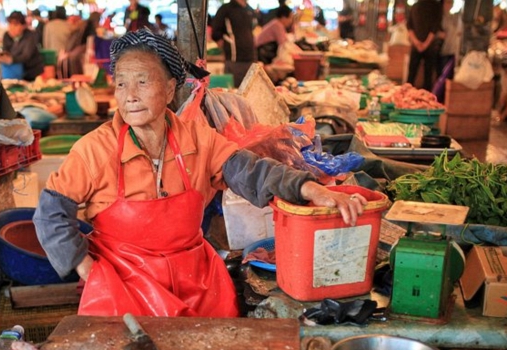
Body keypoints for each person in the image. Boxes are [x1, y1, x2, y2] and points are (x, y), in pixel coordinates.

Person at [34, 30, 366, 317]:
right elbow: (50, 214)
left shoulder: (197, 137)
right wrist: (87, 269)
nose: (129, 95)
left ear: (168, 89)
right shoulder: (95, 149)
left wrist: (311, 189)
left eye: (142, 82)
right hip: (121, 282)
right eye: (121, 84)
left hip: (197, 281)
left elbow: (250, 170)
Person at [211, 0, 258, 88]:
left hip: (251, 59)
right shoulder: (226, 9)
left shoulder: (250, 9)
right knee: (234, 93)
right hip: (234, 60)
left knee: (251, 92)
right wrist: (226, 47)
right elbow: (216, 34)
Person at [406, 0, 443, 91]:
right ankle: (426, 101)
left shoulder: (415, 6)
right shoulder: (437, 6)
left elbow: (409, 26)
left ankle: (405, 98)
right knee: (427, 77)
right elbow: (434, 28)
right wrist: (425, 44)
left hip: (418, 46)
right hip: (430, 46)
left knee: (411, 76)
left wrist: (416, 42)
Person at [0, 11, 43, 81]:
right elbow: (5, 51)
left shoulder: (31, 35)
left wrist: (11, 59)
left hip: (31, 73)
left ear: (23, 26)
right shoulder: (7, 36)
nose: (12, 27)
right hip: (13, 73)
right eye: (10, 24)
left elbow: (26, 56)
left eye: (15, 25)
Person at [438, 0, 462, 79]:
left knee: (449, 77)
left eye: (451, 2)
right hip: (443, 51)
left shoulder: (454, 17)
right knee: (441, 76)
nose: (450, 4)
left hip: (453, 51)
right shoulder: (440, 17)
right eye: (448, 2)